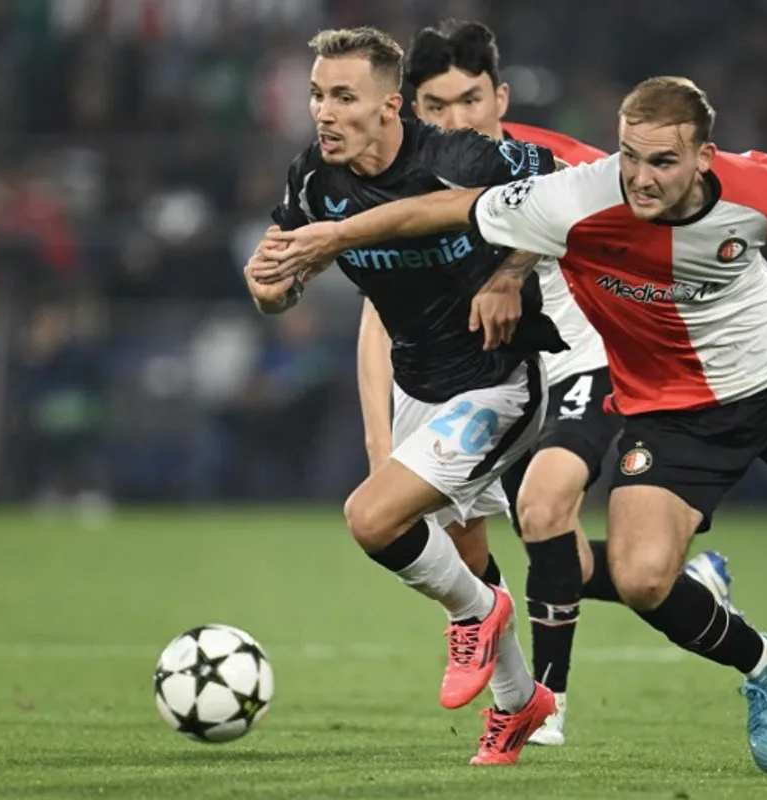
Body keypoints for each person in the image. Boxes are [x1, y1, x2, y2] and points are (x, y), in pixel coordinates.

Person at [252, 75, 767, 784]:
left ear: (704, 156)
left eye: (662, 161)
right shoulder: (575, 200)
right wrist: (330, 236)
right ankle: (765, 662)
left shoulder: (756, 188)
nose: (642, 177)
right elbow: (436, 213)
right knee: (644, 577)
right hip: (668, 411)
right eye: (629, 155)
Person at [370, 19, 737, 747]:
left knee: (543, 509)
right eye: (437, 107)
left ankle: (547, 702)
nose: (456, 120)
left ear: (500, 96)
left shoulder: (564, 163)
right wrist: (380, 437)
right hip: (498, 375)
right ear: (415, 112)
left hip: (587, 357)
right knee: (508, 551)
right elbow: (378, 313)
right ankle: (693, 588)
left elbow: (657, 243)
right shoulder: (409, 180)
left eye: (470, 100)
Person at [243, 26, 567, 766]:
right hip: (419, 388)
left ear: (391, 106)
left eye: (344, 97)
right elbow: (279, 287)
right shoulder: (312, 182)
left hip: (499, 378)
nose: (324, 111)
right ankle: (521, 704)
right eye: (318, 95)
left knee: (371, 518)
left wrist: (509, 274)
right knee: (462, 550)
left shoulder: (453, 155)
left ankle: (480, 614)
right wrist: (267, 289)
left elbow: (553, 193)